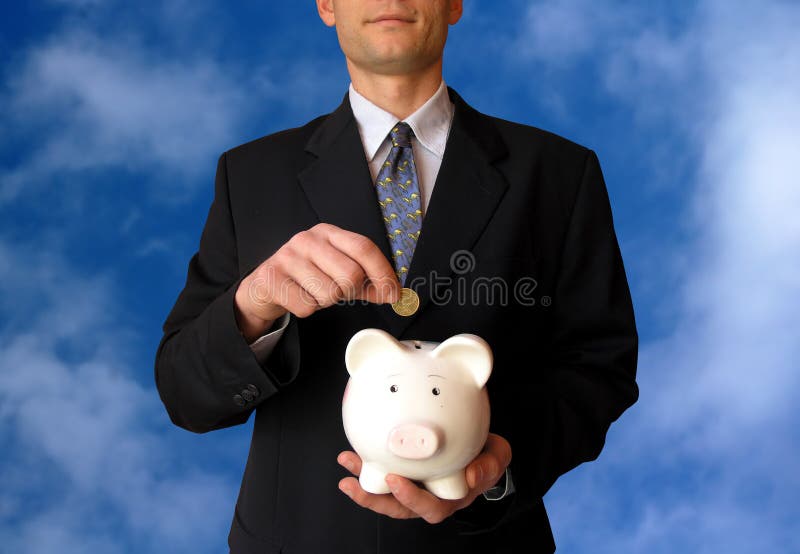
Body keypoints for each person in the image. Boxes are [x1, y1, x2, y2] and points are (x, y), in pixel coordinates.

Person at [154, 1, 639, 552]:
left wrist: (497, 464)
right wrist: (253, 305)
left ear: (453, 4)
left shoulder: (558, 173)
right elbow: (184, 394)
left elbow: (599, 367)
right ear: (327, 6)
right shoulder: (250, 175)